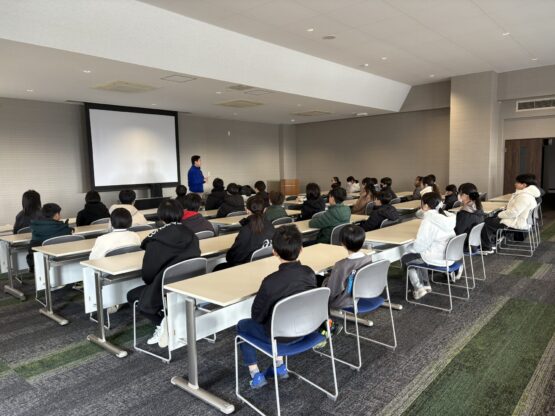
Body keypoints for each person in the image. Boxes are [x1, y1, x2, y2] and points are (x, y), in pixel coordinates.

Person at [236, 225, 316, 389]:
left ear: (274, 252)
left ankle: (255, 373)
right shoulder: (309, 273)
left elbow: (256, 316)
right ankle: (279, 365)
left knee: (243, 326)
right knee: (278, 319)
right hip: (306, 329)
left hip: (280, 338)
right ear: (301, 249)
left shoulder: (270, 282)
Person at [126, 200, 200, 347]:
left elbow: (148, 275)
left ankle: (163, 322)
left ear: (161, 216)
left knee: (132, 296)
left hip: (163, 288)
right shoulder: (191, 234)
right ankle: (170, 319)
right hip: (188, 286)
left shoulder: (156, 239)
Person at [401, 192, 456, 300]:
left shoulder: (429, 220)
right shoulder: (445, 216)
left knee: (406, 257)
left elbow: (420, 246)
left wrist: (407, 248)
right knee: (419, 254)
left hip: (438, 257)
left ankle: (418, 288)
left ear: (425, 205)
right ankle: (425, 284)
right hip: (449, 255)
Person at [480, 174, 540, 253]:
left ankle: (487, 247)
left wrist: (499, 214)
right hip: (522, 221)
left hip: (517, 222)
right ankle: (494, 240)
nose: (515, 184)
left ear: (524, 185)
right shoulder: (528, 195)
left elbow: (513, 213)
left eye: (517, 182)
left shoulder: (524, 196)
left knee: (487, 222)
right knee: (492, 219)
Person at [215, 196, 275, 269]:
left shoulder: (246, 230)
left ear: (247, 210)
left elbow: (233, 257)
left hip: (246, 267)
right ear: (265, 210)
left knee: (218, 267)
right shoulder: (271, 226)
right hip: (265, 264)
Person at [325, 224, 373, 309]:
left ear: (343, 243)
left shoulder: (341, 265)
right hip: (364, 293)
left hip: (344, 301)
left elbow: (332, 291)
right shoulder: (368, 258)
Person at [28, 203, 73, 270]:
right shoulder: (64, 229)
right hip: (63, 262)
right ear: (57, 215)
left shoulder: (35, 229)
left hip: (40, 263)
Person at [454, 183, 484, 251]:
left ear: (465, 195)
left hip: (463, 245)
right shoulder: (478, 208)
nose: (458, 195)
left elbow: (458, 232)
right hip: (474, 244)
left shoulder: (465, 213)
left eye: (459, 193)